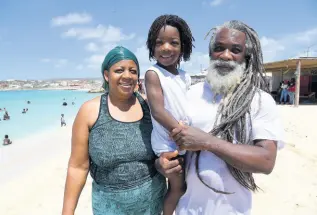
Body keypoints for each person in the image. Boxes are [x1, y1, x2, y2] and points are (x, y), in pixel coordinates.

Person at [155, 20, 284, 215]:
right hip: (186, 210)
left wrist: (207, 142)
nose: (225, 55)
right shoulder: (189, 94)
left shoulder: (259, 101)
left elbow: (265, 161)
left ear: (246, 56)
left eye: (235, 50)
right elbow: (166, 145)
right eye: (219, 48)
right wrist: (162, 164)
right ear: (210, 53)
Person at [62, 46, 166, 215]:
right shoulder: (90, 112)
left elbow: (164, 150)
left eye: (133, 71)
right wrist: (67, 212)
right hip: (109, 206)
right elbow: (78, 167)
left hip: (153, 203)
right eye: (119, 70)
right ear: (106, 75)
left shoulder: (149, 107)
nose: (127, 76)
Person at [144, 14, 194, 215]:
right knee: (178, 187)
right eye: (159, 43)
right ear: (152, 47)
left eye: (173, 43)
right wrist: (179, 132)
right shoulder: (153, 74)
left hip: (183, 138)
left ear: (184, 47)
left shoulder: (184, 76)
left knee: (187, 185)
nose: (166, 48)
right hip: (167, 141)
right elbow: (157, 110)